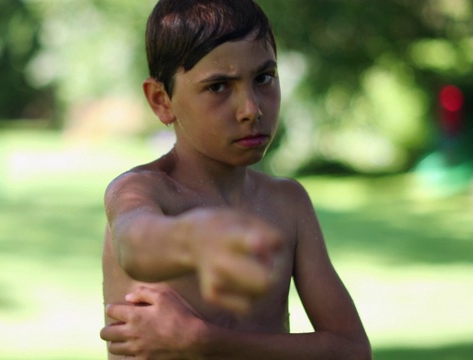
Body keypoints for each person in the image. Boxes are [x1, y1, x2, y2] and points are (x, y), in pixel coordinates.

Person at [100, 0, 371, 358]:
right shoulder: (142, 190)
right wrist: (192, 238)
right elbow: (134, 243)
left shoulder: (287, 203)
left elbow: (352, 349)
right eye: (218, 87)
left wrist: (204, 340)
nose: (252, 109)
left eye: (263, 78)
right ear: (162, 100)